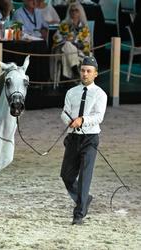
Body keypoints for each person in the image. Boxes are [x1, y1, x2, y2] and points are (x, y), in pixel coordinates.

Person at [60, 56, 107, 225]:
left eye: (89, 71)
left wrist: (82, 120)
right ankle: (85, 198)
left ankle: (78, 214)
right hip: (73, 138)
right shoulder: (71, 92)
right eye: (83, 70)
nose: (85, 74)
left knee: (85, 176)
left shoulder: (100, 94)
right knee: (66, 175)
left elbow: (98, 117)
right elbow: (64, 113)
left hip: (90, 139)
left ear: (95, 74)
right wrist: (69, 121)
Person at [50, 1, 90, 80]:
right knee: (67, 44)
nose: (74, 12)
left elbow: (86, 43)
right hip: (63, 48)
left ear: (80, 12)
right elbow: (56, 37)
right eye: (72, 10)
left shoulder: (84, 27)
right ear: (69, 12)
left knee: (66, 52)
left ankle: (71, 77)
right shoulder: (64, 24)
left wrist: (74, 43)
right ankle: (75, 70)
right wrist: (65, 39)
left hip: (78, 50)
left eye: (76, 10)